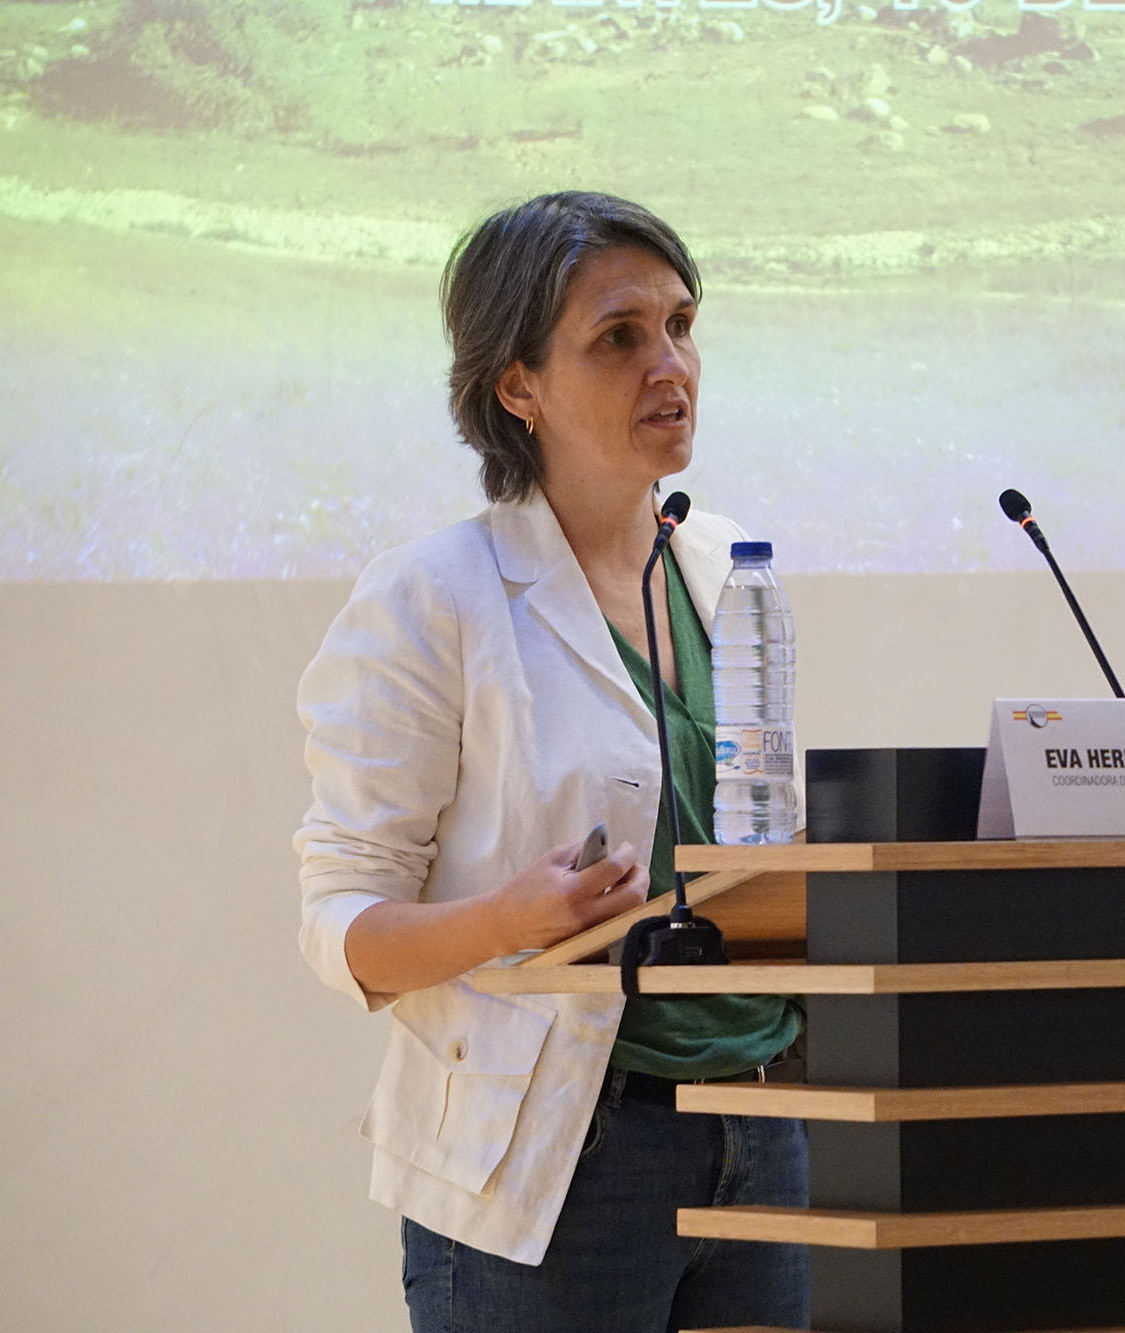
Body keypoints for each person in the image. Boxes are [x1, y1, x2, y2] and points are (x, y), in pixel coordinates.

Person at [294, 191, 807, 1332]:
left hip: (767, 1121)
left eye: (681, 325)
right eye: (618, 336)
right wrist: (506, 919)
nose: (670, 365)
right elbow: (341, 925)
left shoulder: (732, 569)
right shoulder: (433, 596)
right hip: (568, 1151)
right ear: (516, 386)